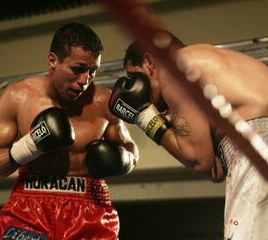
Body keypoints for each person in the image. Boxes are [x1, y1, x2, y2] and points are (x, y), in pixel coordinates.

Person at [0, 22, 139, 240]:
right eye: (78, 69)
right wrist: (31, 144)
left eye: (93, 72)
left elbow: (131, 151)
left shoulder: (104, 101)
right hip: (30, 208)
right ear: (53, 60)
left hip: (90, 207)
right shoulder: (18, 97)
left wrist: (124, 160)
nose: (85, 80)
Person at [108, 34, 268, 240]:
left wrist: (146, 117)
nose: (137, 86)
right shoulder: (214, 68)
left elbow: (198, 160)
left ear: (149, 62)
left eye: (135, 76)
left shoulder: (174, 70)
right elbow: (215, 169)